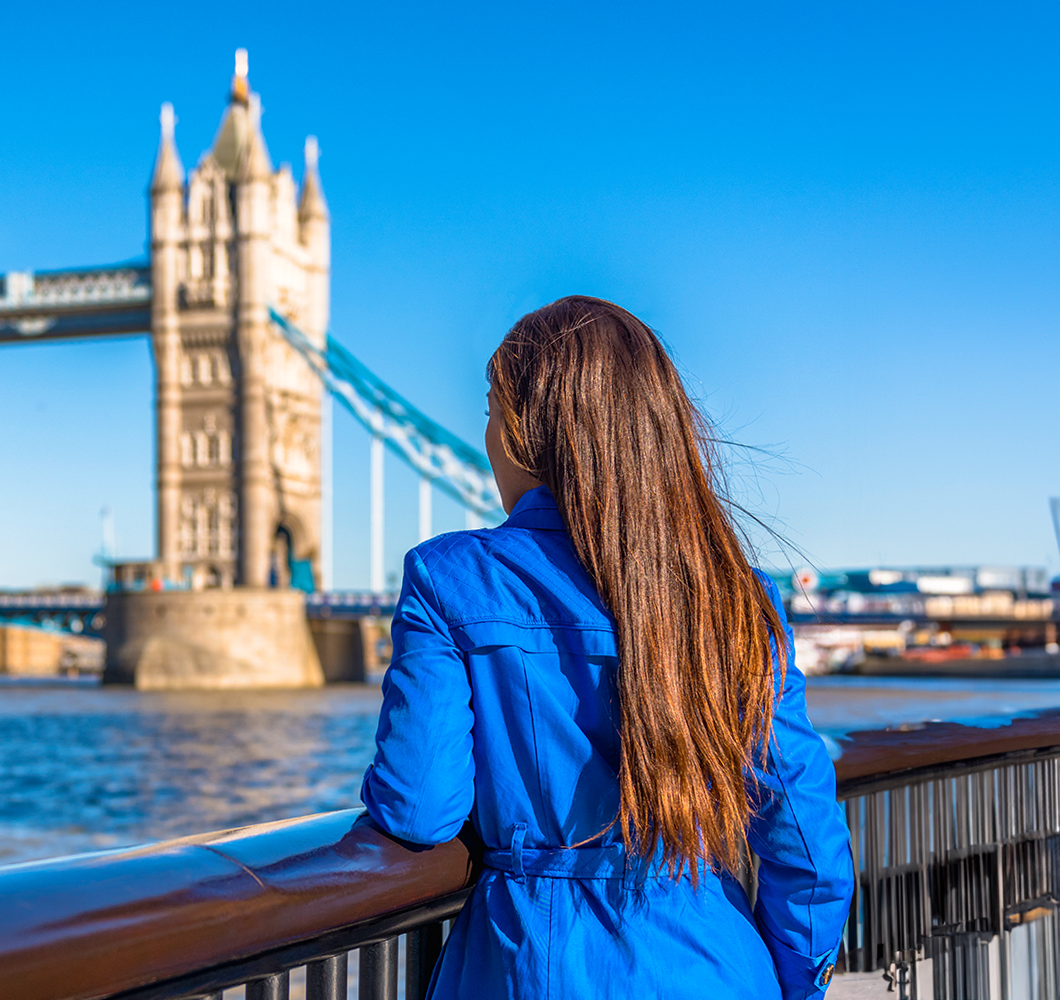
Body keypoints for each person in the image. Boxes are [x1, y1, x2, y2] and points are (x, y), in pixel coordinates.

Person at [361, 296, 853, 999]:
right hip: (714, 966)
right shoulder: (739, 597)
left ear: (525, 432)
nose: (487, 438)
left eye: (491, 413)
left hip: (526, 971)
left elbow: (419, 807)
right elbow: (804, 838)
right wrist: (791, 983)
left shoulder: (449, 580)